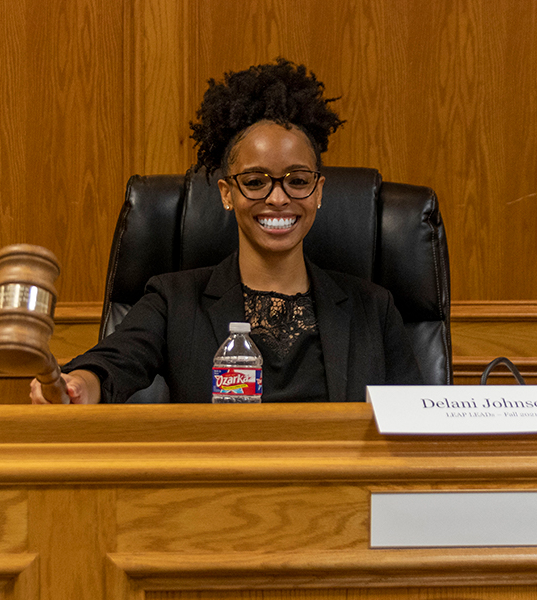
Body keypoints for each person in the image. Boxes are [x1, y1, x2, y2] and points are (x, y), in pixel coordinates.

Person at [30, 58, 422, 404]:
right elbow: (110, 366)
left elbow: (416, 422)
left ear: (318, 191)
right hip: (223, 487)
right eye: (255, 182)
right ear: (227, 193)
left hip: (342, 487)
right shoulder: (174, 301)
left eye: (297, 181)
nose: (278, 198)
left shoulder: (374, 308)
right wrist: (78, 384)